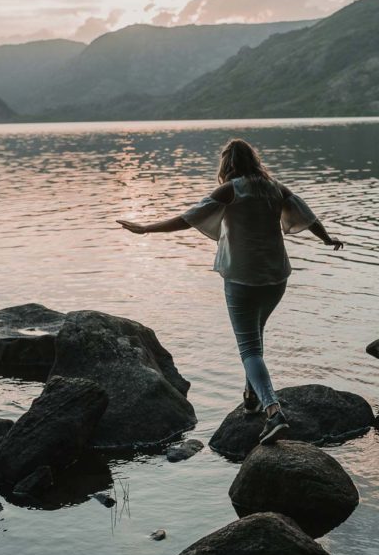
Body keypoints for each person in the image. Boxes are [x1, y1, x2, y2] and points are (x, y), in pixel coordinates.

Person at [117, 139, 343, 445]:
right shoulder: (274, 187)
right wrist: (327, 239)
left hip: (242, 279)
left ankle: (273, 411)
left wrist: (145, 228)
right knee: (256, 338)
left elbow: (188, 219)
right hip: (276, 278)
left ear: (228, 163)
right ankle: (251, 395)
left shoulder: (231, 189)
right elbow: (308, 215)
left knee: (249, 349)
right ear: (254, 159)